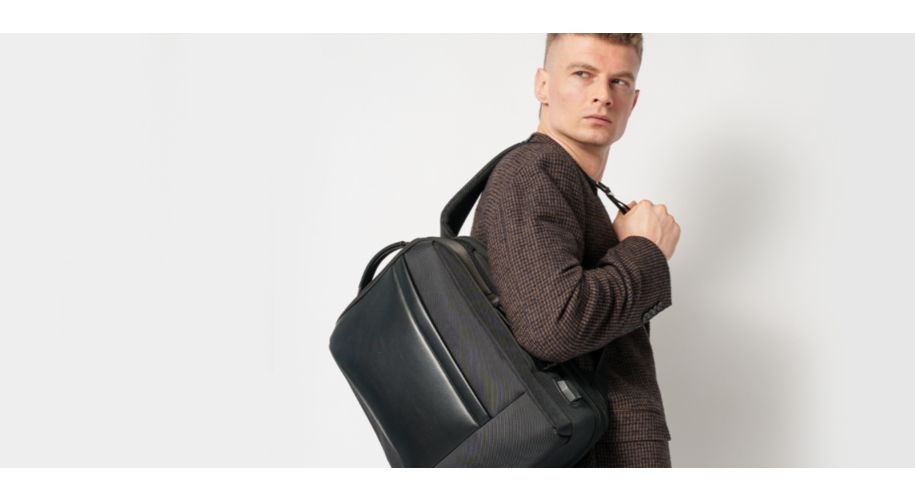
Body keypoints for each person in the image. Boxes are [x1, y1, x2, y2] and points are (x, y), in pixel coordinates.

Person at [469, 33, 681, 467]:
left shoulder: (565, 182)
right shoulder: (533, 172)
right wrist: (644, 249)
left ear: (634, 100)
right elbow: (554, 325)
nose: (603, 95)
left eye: (619, 81)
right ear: (543, 85)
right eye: (583, 74)